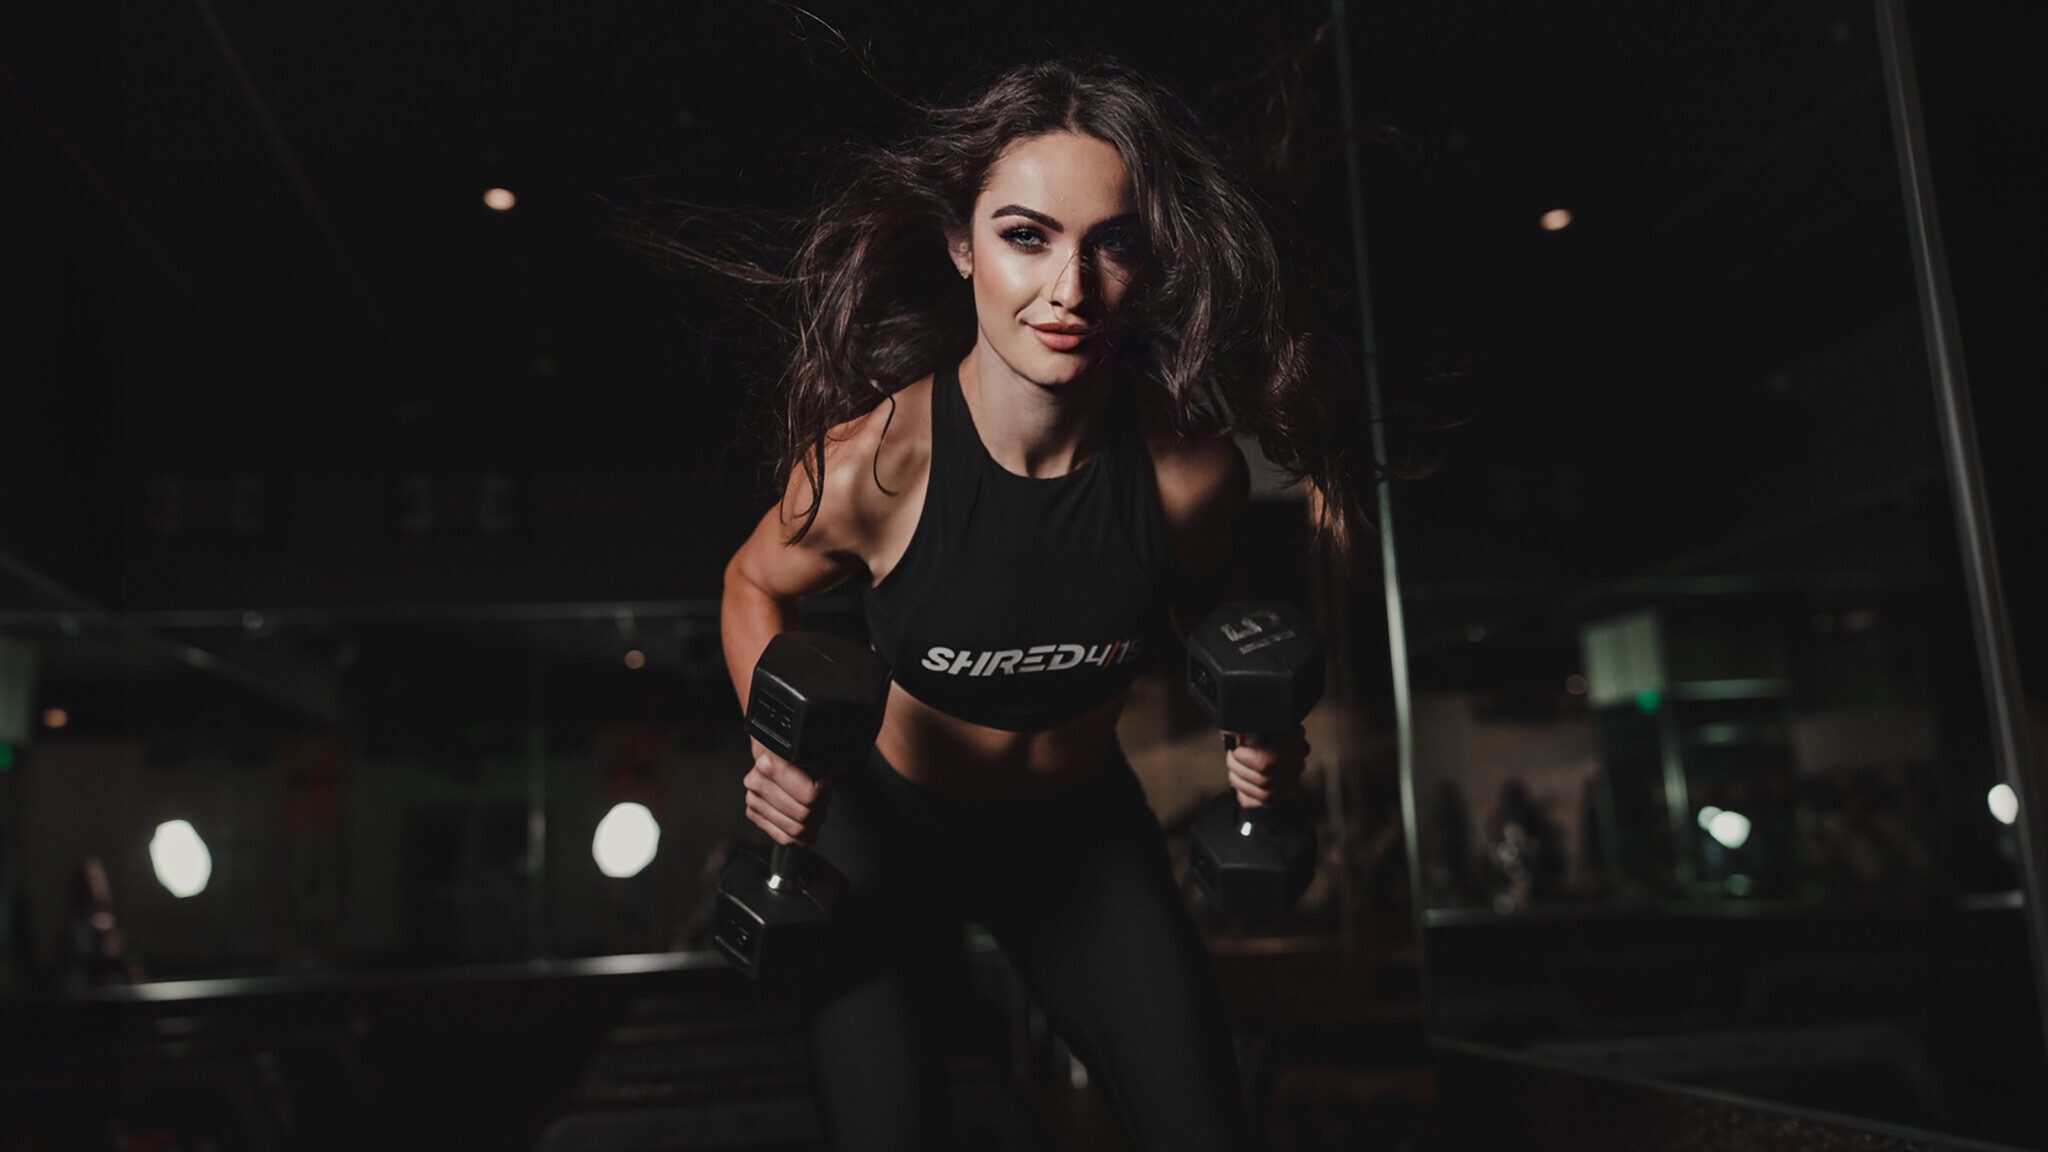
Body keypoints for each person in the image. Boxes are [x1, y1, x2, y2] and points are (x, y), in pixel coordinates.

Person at [708, 55, 1370, 1152]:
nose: (1068, 289)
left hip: (1078, 837)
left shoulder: (1185, 473)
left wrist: (1260, 735)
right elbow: (748, 583)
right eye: (1025, 236)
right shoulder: (877, 466)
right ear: (963, 247)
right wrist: (773, 748)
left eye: (1107, 243)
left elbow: (1217, 620)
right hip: (887, 830)